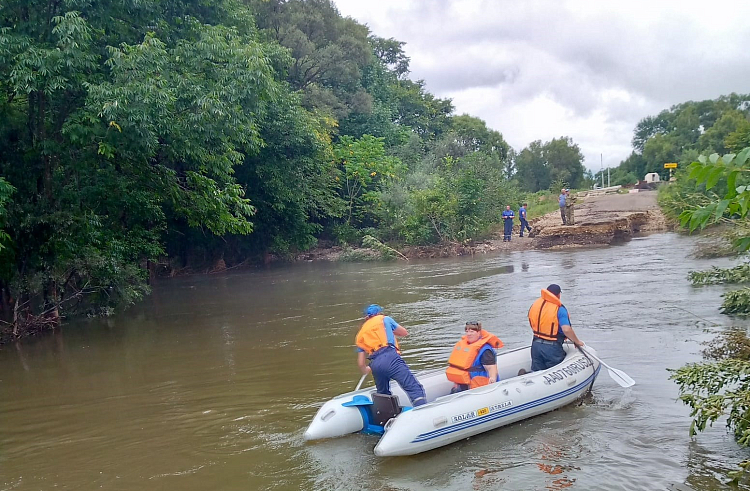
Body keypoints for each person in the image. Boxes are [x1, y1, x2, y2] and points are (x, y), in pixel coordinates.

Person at [355, 304, 427, 406]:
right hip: (390, 357)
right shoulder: (385, 319)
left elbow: (361, 363)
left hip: (375, 364)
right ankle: (422, 411)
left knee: (383, 394)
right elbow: (404, 332)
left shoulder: (361, 333)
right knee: (414, 388)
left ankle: (385, 418)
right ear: (379, 313)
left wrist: (366, 369)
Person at [528, 284, 584, 371]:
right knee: (555, 371)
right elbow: (566, 329)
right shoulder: (559, 309)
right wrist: (576, 341)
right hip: (552, 348)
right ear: (558, 295)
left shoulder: (535, 305)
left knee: (537, 371)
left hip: (535, 345)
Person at [446, 321, 504, 393]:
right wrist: (456, 382)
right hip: (464, 384)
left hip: (479, 387)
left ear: (479, 333)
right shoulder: (464, 347)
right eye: (467, 331)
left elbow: (491, 368)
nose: (468, 334)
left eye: (472, 331)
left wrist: (492, 380)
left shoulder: (485, 351)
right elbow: (459, 367)